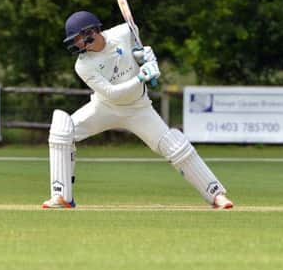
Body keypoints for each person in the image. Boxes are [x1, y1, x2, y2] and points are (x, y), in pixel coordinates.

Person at [42, 11, 234, 209]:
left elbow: (137, 51)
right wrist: (141, 77)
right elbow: (112, 93)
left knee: (174, 145)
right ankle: (62, 196)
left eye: (79, 38)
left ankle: (216, 195)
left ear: (92, 31)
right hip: (104, 107)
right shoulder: (83, 65)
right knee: (62, 129)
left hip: (139, 109)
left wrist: (146, 57)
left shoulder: (124, 32)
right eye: (74, 40)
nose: (77, 44)